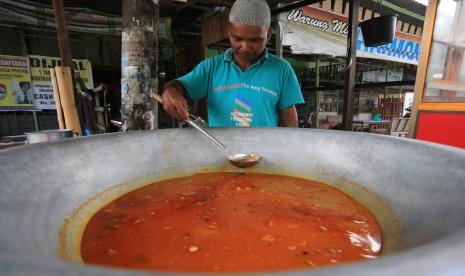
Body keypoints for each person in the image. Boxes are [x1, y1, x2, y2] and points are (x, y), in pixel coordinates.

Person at [160, 0, 304, 127]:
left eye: (255, 40)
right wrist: (171, 92)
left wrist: (290, 150)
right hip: (223, 152)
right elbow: (179, 86)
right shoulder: (211, 68)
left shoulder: (282, 70)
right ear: (229, 32)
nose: (245, 47)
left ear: (268, 35)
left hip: (264, 153)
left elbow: (288, 116)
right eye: (237, 39)